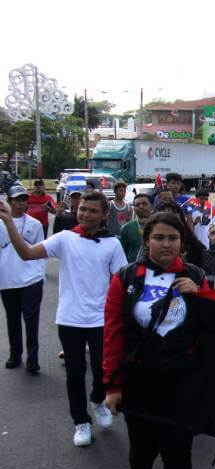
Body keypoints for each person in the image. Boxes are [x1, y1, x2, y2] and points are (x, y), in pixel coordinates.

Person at [0, 191, 128, 447]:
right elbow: (26, 253)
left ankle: (97, 399)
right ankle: (81, 421)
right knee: (75, 371)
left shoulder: (112, 244)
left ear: (104, 214)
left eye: (92, 210)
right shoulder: (64, 239)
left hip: (101, 320)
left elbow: (122, 282)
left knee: (105, 370)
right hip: (70, 319)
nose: (85, 214)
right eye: (82, 209)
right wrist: (8, 222)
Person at [103, 213, 210, 469]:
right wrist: (111, 385)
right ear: (146, 240)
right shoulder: (125, 277)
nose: (166, 244)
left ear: (182, 242)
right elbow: (113, 333)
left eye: (173, 238)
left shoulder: (196, 275)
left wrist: (201, 297)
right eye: (159, 238)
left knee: (178, 451)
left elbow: (214, 328)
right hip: (139, 376)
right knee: (143, 447)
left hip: (183, 378)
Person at [0, 186, 45, 373]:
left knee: (31, 319)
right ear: (9, 202)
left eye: (24, 199)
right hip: (7, 279)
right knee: (12, 319)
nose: (21, 203)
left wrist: (40, 273)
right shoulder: (1, 224)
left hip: (31, 280)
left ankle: (32, 358)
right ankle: (15, 354)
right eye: (17, 199)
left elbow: (41, 251)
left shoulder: (34, 224)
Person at [155, 202, 207, 270]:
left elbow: (211, 271)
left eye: (172, 216)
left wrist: (214, 246)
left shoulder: (194, 245)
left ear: (180, 219)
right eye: (164, 217)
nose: (168, 221)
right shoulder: (150, 245)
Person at [121, 194, 154, 263]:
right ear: (134, 208)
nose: (141, 206)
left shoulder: (160, 225)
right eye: (137, 205)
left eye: (144, 204)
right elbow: (123, 253)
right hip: (133, 268)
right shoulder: (126, 228)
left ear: (152, 206)